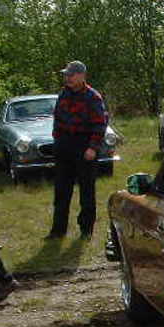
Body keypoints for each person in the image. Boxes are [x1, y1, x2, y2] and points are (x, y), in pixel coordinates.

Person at [47, 60, 108, 240]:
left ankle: (86, 230)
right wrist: (57, 140)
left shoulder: (93, 97)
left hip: (84, 145)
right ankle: (58, 230)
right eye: (66, 75)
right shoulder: (63, 94)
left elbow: (100, 125)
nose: (68, 78)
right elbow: (57, 119)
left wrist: (92, 148)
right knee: (61, 190)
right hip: (64, 145)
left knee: (86, 191)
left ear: (81, 76)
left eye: (71, 75)